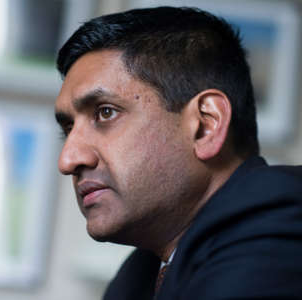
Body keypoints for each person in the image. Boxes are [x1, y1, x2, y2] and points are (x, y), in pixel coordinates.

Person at [54, 6, 302, 300]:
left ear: (205, 125)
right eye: (68, 128)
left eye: (105, 112)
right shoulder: (140, 273)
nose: (68, 160)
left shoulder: (278, 223)